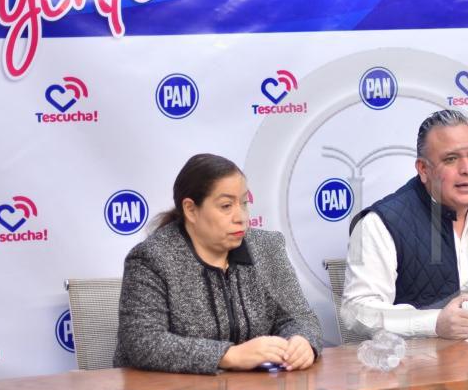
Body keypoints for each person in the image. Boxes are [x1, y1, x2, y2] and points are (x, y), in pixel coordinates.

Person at [342, 110, 468, 338]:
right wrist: (433, 323)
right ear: (423, 169)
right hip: (427, 355)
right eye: (451, 159)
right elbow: (356, 310)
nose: (467, 169)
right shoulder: (381, 222)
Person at [115, 153, 323, 373]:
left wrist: (302, 341)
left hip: (256, 388)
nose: (241, 217)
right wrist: (229, 356)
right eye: (226, 206)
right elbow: (143, 341)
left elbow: (299, 317)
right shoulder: (151, 259)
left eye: (244, 203)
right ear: (191, 209)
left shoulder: (267, 248)